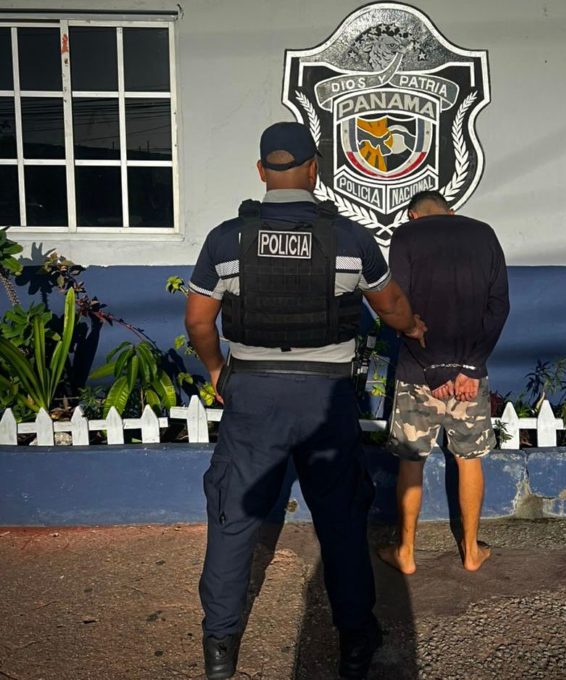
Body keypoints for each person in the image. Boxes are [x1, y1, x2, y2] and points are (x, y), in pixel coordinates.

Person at [185, 121, 427, 680]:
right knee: (340, 518)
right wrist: (413, 326)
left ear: (261, 171)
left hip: (253, 393)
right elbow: (391, 307)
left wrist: (218, 370)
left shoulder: (226, 239)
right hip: (326, 398)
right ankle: (356, 642)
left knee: (233, 517)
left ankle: (220, 645)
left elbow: (198, 321)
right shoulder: (350, 239)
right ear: (314, 169)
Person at [378, 190, 509, 575]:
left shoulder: (405, 236)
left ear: (413, 215)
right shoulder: (484, 233)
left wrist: (434, 369)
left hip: (418, 374)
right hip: (470, 378)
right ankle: (470, 552)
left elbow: (397, 306)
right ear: (451, 211)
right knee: (469, 460)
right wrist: (469, 367)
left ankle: (406, 553)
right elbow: (499, 306)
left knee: (411, 461)